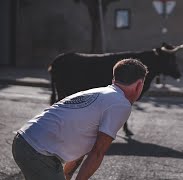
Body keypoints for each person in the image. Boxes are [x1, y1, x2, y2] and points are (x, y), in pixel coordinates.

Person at [12, 59, 148, 180]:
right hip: (38, 151)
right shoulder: (121, 104)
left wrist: (68, 176)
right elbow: (97, 153)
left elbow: (84, 148)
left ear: (114, 79)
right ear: (139, 84)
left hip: (26, 141)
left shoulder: (102, 93)